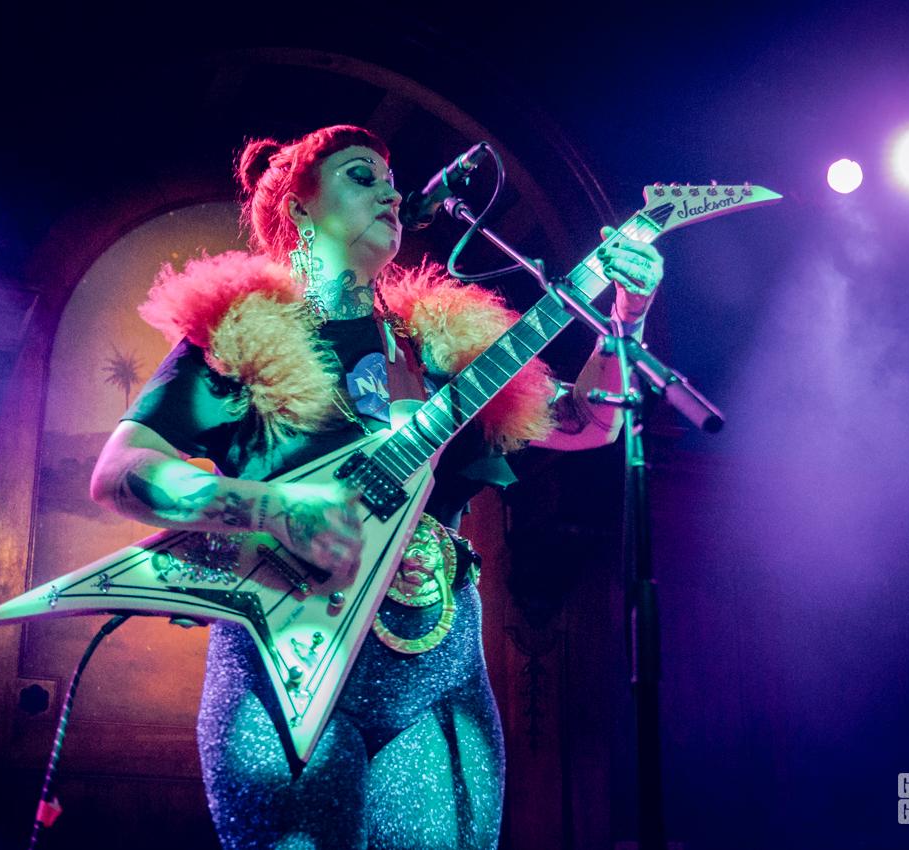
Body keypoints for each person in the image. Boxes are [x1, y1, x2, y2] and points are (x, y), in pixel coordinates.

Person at [89, 125, 663, 850]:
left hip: (438, 668)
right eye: (362, 176)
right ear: (299, 208)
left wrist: (625, 320)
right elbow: (122, 472)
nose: (390, 193)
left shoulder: (441, 343)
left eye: (392, 181)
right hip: (283, 667)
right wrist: (275, 506)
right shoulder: (242, 336)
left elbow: (588, 423)